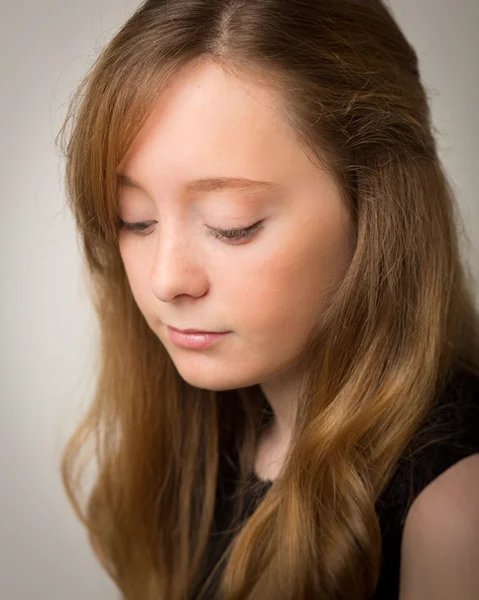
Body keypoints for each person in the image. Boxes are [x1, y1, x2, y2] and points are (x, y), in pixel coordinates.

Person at [56, 1, 479, 599]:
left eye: (233, 225)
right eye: (137, 220)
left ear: (376, 209)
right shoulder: (207, 448)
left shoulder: (456, 511)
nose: (165, 280)